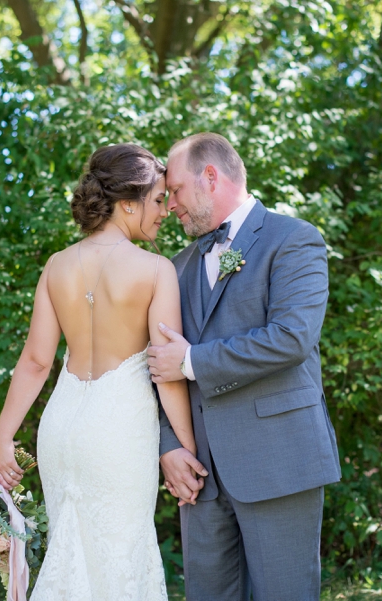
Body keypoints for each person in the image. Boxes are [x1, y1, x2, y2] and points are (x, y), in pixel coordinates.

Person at [0, 143, 203, 601]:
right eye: (157, 199)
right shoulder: (155, 269)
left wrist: (3, 437)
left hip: (61, 428)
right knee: (121, 552)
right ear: (128, 203)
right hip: (118, 432)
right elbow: (167, 371)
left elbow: (35, 361)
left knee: (69, 551)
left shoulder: (56, 266)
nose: (165, 211)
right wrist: (187, 449)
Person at [147, 132, 342, 601]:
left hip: (279, 461)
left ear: (209, 177)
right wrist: (169, 446)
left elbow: (291, 338)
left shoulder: (294, 239)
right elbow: (154, 366)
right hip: (201, 476)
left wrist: (193, 361)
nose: (169, 204)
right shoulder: (173, 266)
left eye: (174, 190)